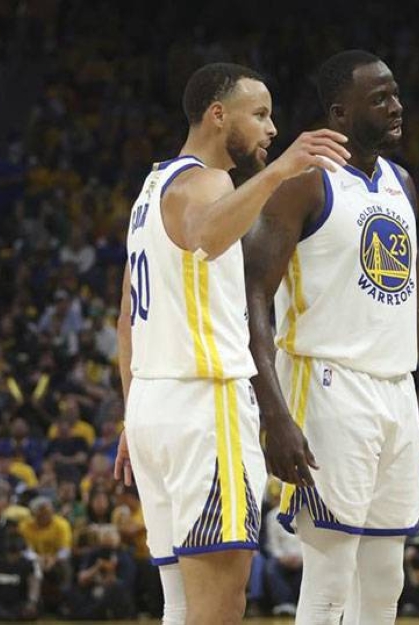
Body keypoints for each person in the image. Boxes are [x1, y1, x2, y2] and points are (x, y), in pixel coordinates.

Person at [242, 49, 419, 625]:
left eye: (396, 93)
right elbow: (253, 299)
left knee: (387, 575)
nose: (398, 106)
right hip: (325, 385)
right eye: (381, 98)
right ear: (339, 112)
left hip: (396, 391)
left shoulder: (401, 184)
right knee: (330, 575)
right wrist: (274, 415)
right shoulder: (303, 181)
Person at [112, 62, 348, 625]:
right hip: (203, 406)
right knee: (219, 606)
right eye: (260, 115)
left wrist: (130, 414)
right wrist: (276, 173)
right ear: (218, 116)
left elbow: (126, 320)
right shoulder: (210, 180)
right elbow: (204, 236)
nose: (272, 129)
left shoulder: (150, 188)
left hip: (151, 408)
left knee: (181, 604)